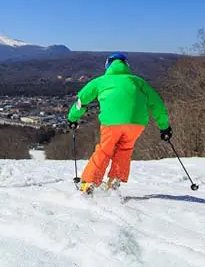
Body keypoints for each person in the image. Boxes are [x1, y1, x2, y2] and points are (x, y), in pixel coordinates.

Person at [67, 53, 172, 195]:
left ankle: (90, 182)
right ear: (126, 65)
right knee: (125, 149)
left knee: (105, 149)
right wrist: (164, 127)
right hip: (136, 123)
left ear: (107, 66)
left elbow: (81, 101)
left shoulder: (101, 81)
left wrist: (72, 118)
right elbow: (157, 104)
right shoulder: (138, 81)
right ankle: (114, 180)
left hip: (112, 123)